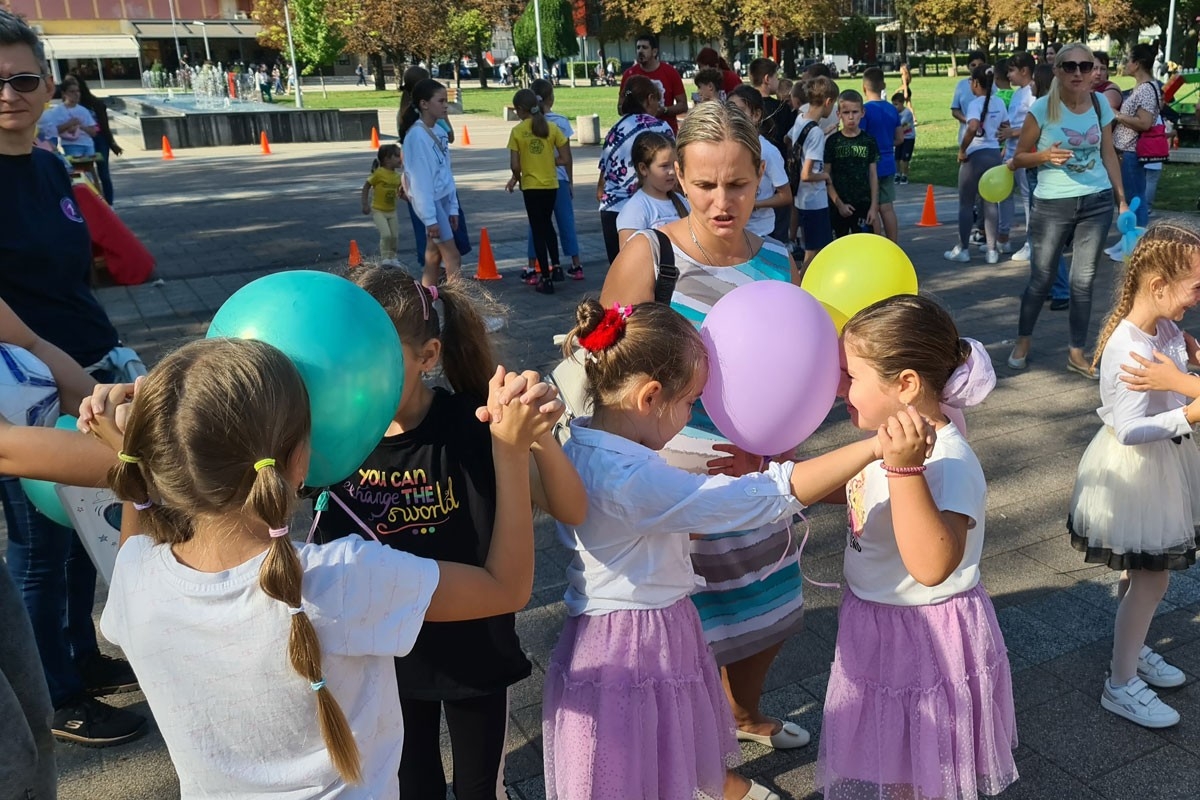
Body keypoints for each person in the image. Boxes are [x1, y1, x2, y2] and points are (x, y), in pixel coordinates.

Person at [87, 336, 561, 798]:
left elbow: (140, 527)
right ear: (299, 460)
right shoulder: (344, 576)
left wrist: (129, 453)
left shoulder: (134, 575)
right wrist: (510, 450)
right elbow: (505, 588)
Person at [545, 297, 891, 800]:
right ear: (649, 397)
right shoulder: (633, 479)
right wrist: (873, 448)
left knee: (647, 751)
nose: (693, 414)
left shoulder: (582, 441)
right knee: (640, 760)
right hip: (637, 641)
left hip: (613, 631)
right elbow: (765, 497)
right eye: (691, 403)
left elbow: (636, 533)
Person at [315, 267, 585, 797]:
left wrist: (539, 438)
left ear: (428, 355)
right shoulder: (334, 441)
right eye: (348, 357)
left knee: (479, 790)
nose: (360, 374)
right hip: (387, 661)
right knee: (413, 788)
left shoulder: (474, 423)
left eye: (379, 358)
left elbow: (571, 509)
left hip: (476, 652)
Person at [601, 101, 812, 758]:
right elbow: (599, 369)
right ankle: (694, 755)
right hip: (670, 483)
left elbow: (796, 367)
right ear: (679, 179)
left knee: (772, 605)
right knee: (686, 629)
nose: (723, 202)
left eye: (739, 184)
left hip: (757, 471)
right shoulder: (649, 256)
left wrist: (778, 449)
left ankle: (742, 713)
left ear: (760, 177)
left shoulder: (777, 259)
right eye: (704, 184)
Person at [0, 9, 146, 748]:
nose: (9, 94)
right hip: (28, 389)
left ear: (47, 84)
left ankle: (81, 656)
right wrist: (61, 370)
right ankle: (55, 695)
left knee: (88, 524)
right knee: (38, 547)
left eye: (23, 79)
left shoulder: (52, 166)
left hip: (87, 372)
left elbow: (73, 274)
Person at [817, 294, 1017, 799]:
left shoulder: (948, 462)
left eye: (851, 375)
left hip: (925, 633)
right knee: (895, 749)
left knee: (928, 755)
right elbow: (862, 486)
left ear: (905, 383)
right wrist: (771, 474)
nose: (839, 388)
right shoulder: (891, 438)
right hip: (877, 618)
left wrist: (904, 471)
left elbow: (932, 564)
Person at [1069, 223, 1200, 728]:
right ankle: (1120, 684)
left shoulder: (1164, 329)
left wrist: (1186, 374)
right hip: (1139, 471)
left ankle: (1133, 647)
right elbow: (1127, 430)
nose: (1198, 297)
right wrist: (1187, 413)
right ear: (1159, 285)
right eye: (1195, 286)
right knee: (1152, 578)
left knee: (1141, 571)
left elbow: (1178, 385)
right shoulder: (1129, 348)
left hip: (1165, 463)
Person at [1007, 42, 1127, 379]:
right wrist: (1045, 156)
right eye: (1070, 66)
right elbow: (1018, 158)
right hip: (1052, 204)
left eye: (1085, 66)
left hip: (1096, 201)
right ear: (1057, 71)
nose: (1078, 73)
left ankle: (1076, 352)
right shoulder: (1043, 108)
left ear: (1093, 72)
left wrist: (1120, 198)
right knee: (1041, 278)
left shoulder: (1099, 104)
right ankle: (1023, 340)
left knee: (1083, 281)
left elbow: (1108, 153)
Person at [398, 67, 473, 273]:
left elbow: (446, 171)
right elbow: (421, 181)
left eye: (446, 100)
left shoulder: (438, 131)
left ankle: (427, 293)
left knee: (433, 257)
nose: (446, 105)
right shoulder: (417, 136)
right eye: (441, 101)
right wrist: (430, 219)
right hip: (431, 202)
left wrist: (453, 207)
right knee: (453, 257)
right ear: (423, 104)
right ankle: (456, 295)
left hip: (442, 198)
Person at [597, 75, 673, 264]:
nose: (659, 106)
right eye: (658, 100)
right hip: (648, 210)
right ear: (650, 98)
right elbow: (675, 165)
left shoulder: (615, 129)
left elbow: (602, 178)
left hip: (612, 210)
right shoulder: (661, 128)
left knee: (619, 270)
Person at [506, 88, 570, 295]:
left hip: (531, 186)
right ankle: (557, 266)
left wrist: (517, 177)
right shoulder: (551, 128)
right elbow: (565, 158)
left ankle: (545, 277)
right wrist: (547, 161)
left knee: (537, 229)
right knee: (548, 225)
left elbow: (515, 165)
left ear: (519, 109)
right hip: (551, 184)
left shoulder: (517, 131)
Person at [945, 65, 1006, 265]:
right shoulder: (999, 102)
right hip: (994, 155)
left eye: (971, 80)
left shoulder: (975, 104)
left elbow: (972, 126)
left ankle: (963, 248)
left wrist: (963, 149)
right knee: (990, 203)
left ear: (976, 83)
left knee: (966, 203)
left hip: (975, 156)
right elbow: (1006, 125)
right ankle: (992, 250)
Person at [524, 80, 583, 282]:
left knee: (536, 224)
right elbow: (567, 155)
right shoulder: (561, 122)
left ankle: (532, 267)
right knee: (566, 221)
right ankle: (576, 264)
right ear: (551, 98)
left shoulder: (527, 125)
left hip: (536, 181)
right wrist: (571, 180)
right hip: (559, 178)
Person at [728, 87, 791, 241]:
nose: (733, 116)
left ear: (756, 115)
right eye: (729, 110)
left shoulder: (768, 151)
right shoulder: (725, 148)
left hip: (761, 232)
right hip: (733, 231)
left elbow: (785, 196)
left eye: (740, 111)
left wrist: (754, 204)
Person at [1113, 44, 1162, 232]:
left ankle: (1137, 237)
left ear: (1137, 64)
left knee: (1135, 197)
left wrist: (1117, 115)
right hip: (1127, 150)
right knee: (1132, 196)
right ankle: (1129, 236)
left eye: (1128, 60)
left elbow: (1145, 123)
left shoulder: (1146, 89)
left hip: (1131, 151)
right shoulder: (1143, 87)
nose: (1125, 64)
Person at [615, 130, 689, 248]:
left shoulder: (682, 201)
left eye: (675, 165)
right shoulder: (635, 210)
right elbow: (629, 255)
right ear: (643, 169)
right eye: (664, 166)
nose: (672, 171)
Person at [793, 77, 836, 271]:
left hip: (801, 198)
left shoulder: (801, 119)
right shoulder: (816, 133)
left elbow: (789, 140)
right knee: (814, 251)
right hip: (815, 200)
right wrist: (826, 176)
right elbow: (807, 174)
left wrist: (823, 133)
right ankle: (801, 282)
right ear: (828, 102)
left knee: (812, 247)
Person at [825, 89, 879, 240]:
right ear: (839, 114)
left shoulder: (869, 141)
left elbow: (873, 175)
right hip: (838, 203)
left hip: (863, 202)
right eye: (846, 112)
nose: (850, 117)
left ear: (862, 113)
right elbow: (826, 175)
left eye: (855, 112)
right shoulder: (833, 141)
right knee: (839, 244)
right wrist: (839, 203)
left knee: (865, 243)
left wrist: (874, 206)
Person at [1002, 52, 1036, 264]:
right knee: (1005, 194)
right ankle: (1002, 236)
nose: (1008, 75)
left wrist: (1013, 133)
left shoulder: (1032, 93)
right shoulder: (1017, 94)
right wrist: (1007, 145)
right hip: (1011, 151)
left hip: (1025, 153)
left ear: (1024, 71)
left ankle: (1031, 243)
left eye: (1011, 71)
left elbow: (1033, 124)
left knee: (1027, 197)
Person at [861, 66, 901, 242]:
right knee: (887, 207)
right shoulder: (892, 109)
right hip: (888, 161)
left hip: (870, 165)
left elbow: (860, 137)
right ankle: (893, 243)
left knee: (873, 207)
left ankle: (878, 244)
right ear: (883, 85)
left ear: (864, 88)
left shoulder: (864, 110)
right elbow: (900, 138)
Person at [618, 33, 686, 134]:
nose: (640, 51)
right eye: (638, 48)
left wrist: (664, 110)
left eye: (644, 47)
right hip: (637, 134)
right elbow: (621, 106)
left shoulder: (670, 72)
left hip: (665, 135)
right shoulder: (629, 74)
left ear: (654, 52)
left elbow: (683, 105)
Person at [75, 76, 121, 204]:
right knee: (83, 174)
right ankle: (92, 203)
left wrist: (112, 143)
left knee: (103, 174)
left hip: (99, 140)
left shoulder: (95, 103)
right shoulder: (69, 107)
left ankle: (109, 204)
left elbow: (105, 125)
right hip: (79, 141)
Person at [360, 144, 404, 264]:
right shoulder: (379, 174)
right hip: (378, 210)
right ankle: (385, 258)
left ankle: (393, 257)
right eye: (397, 156)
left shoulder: (398, 176)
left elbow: (401, 191)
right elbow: (366, 187)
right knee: (386, 235)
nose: (401, 158)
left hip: (392, 211)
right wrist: (365, 204)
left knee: (394, 236)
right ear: (387, 159)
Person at [42, 75, 98, 157]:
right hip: (71, 145)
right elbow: (52, 132)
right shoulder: (56, 111)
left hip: (88, 145)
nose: (76, 94)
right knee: (77, 165)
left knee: (89, 164)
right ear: (64, 93)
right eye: (72, 92)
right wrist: (69, 124)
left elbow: (93, 132)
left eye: (78, 91)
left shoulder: (84, 110)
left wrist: (81, 127)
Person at [892, 91, 914, 185]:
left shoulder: (907, 113)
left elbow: (901, 125)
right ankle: (897, 174)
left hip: (908, 138)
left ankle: (904, 175)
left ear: (902, 103)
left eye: (896, 104)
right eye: (893, 104)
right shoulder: (894, 113)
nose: (894, 107)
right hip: (898, 137)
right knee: (896, 157)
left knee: (905, 158)